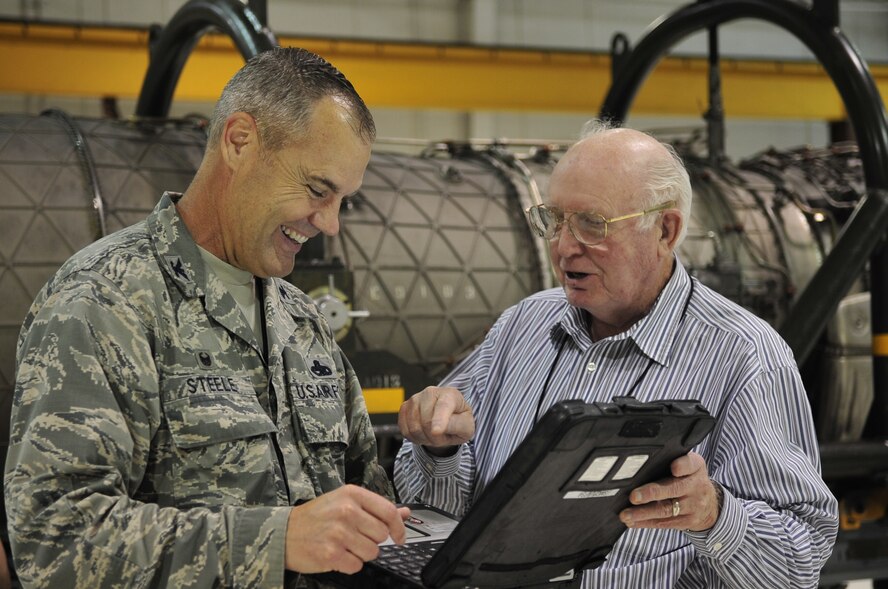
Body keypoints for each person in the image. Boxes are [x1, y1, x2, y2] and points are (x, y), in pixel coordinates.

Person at [5, 47, 408, 588]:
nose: (329, 224)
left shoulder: (302, 323)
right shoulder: (102, 302)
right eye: (317, 190)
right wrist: (274, 539)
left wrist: (435, 455)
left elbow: (367, 497)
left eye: (343, 201)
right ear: (239, 141)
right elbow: (55, 542)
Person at [394, 120, 839, 588]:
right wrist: (439, 449)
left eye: (591, 224)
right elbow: (437, 515)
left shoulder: (744, 356)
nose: (564, 247)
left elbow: (800, 563)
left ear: (666, 230)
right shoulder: (521, 328)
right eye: (554, 220)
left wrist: (715, 514)